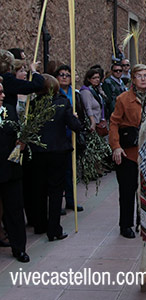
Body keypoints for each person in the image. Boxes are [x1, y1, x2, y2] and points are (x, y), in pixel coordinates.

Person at [29, 74, 82, 242]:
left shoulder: (34, 103)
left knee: (39, 189)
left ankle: (40, 225)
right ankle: (54, 229)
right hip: (58, 151)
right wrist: (75, 119)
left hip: (38, 151)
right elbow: (75, 126)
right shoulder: (62, 102)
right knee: (55, 191)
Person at [109, 64, 146, 239]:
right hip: (129, 152)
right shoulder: (123, 99)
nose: (144, 78)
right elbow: (114, 122)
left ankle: (143, 222)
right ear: (133, 79)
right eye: (139, 76)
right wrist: (116, 146)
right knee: (127, 190)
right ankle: (126, 224)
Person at [0, 77, 29, 262]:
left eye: (3, 92)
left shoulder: (9, 111)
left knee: (15, 210)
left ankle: (19, 248)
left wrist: (22, 142)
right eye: (0, 93)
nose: (3, 96)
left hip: (10, 169)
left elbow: (19, 132)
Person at [55, 65, 86, 214]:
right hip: (59, 136)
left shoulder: (75, 95)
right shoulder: (54, 94)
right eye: (61, 75)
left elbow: (81, 110)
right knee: (59, 172)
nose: (65, 77)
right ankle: (57, 203)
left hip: (72, 135)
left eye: (67, 75)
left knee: (70, 171)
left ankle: (70, 200)